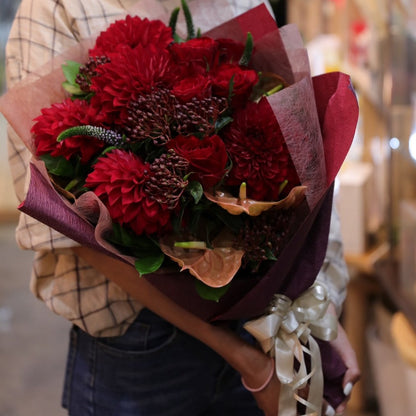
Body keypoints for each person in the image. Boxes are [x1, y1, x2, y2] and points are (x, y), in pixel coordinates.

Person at [5, 0, 360, 415]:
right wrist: (246, 361)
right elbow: (67, 226)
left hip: (259, 326)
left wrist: (322, 312)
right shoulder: (57, 8)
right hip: (141, 349)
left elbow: (302, 160)